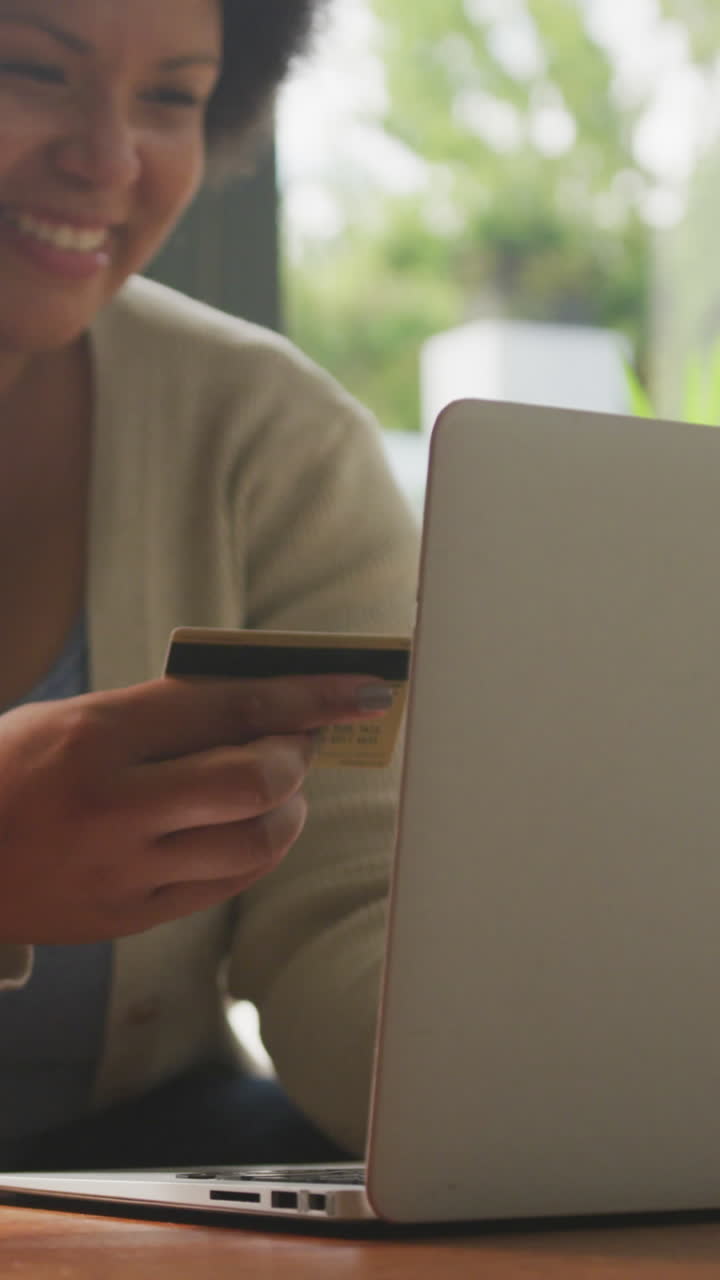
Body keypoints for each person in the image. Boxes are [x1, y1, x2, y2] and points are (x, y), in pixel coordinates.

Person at [0, 0, 418, 1170]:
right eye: (31, 71)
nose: (108, 159)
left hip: (126, 1151)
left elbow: (356, 906)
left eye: (172, 97)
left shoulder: (269, 437)